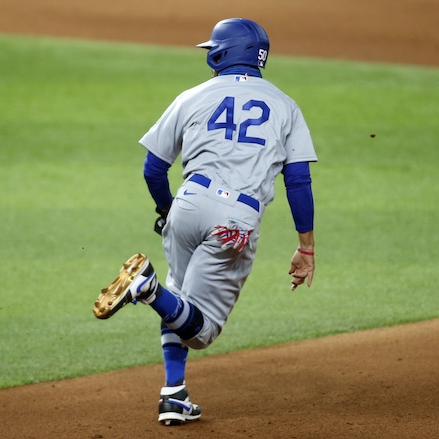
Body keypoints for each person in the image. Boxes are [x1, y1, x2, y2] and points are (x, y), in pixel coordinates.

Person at [93, 18, 317, 425]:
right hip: (237, 218)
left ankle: (173, 395)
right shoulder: (286, 105)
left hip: (189, 201)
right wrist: (306, 246)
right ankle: (145, 287)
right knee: (202, 330)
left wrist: (168, 210)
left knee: (179, 300)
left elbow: (153, 169)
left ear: (222, 53)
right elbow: (298, 180)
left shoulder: (192, 96)